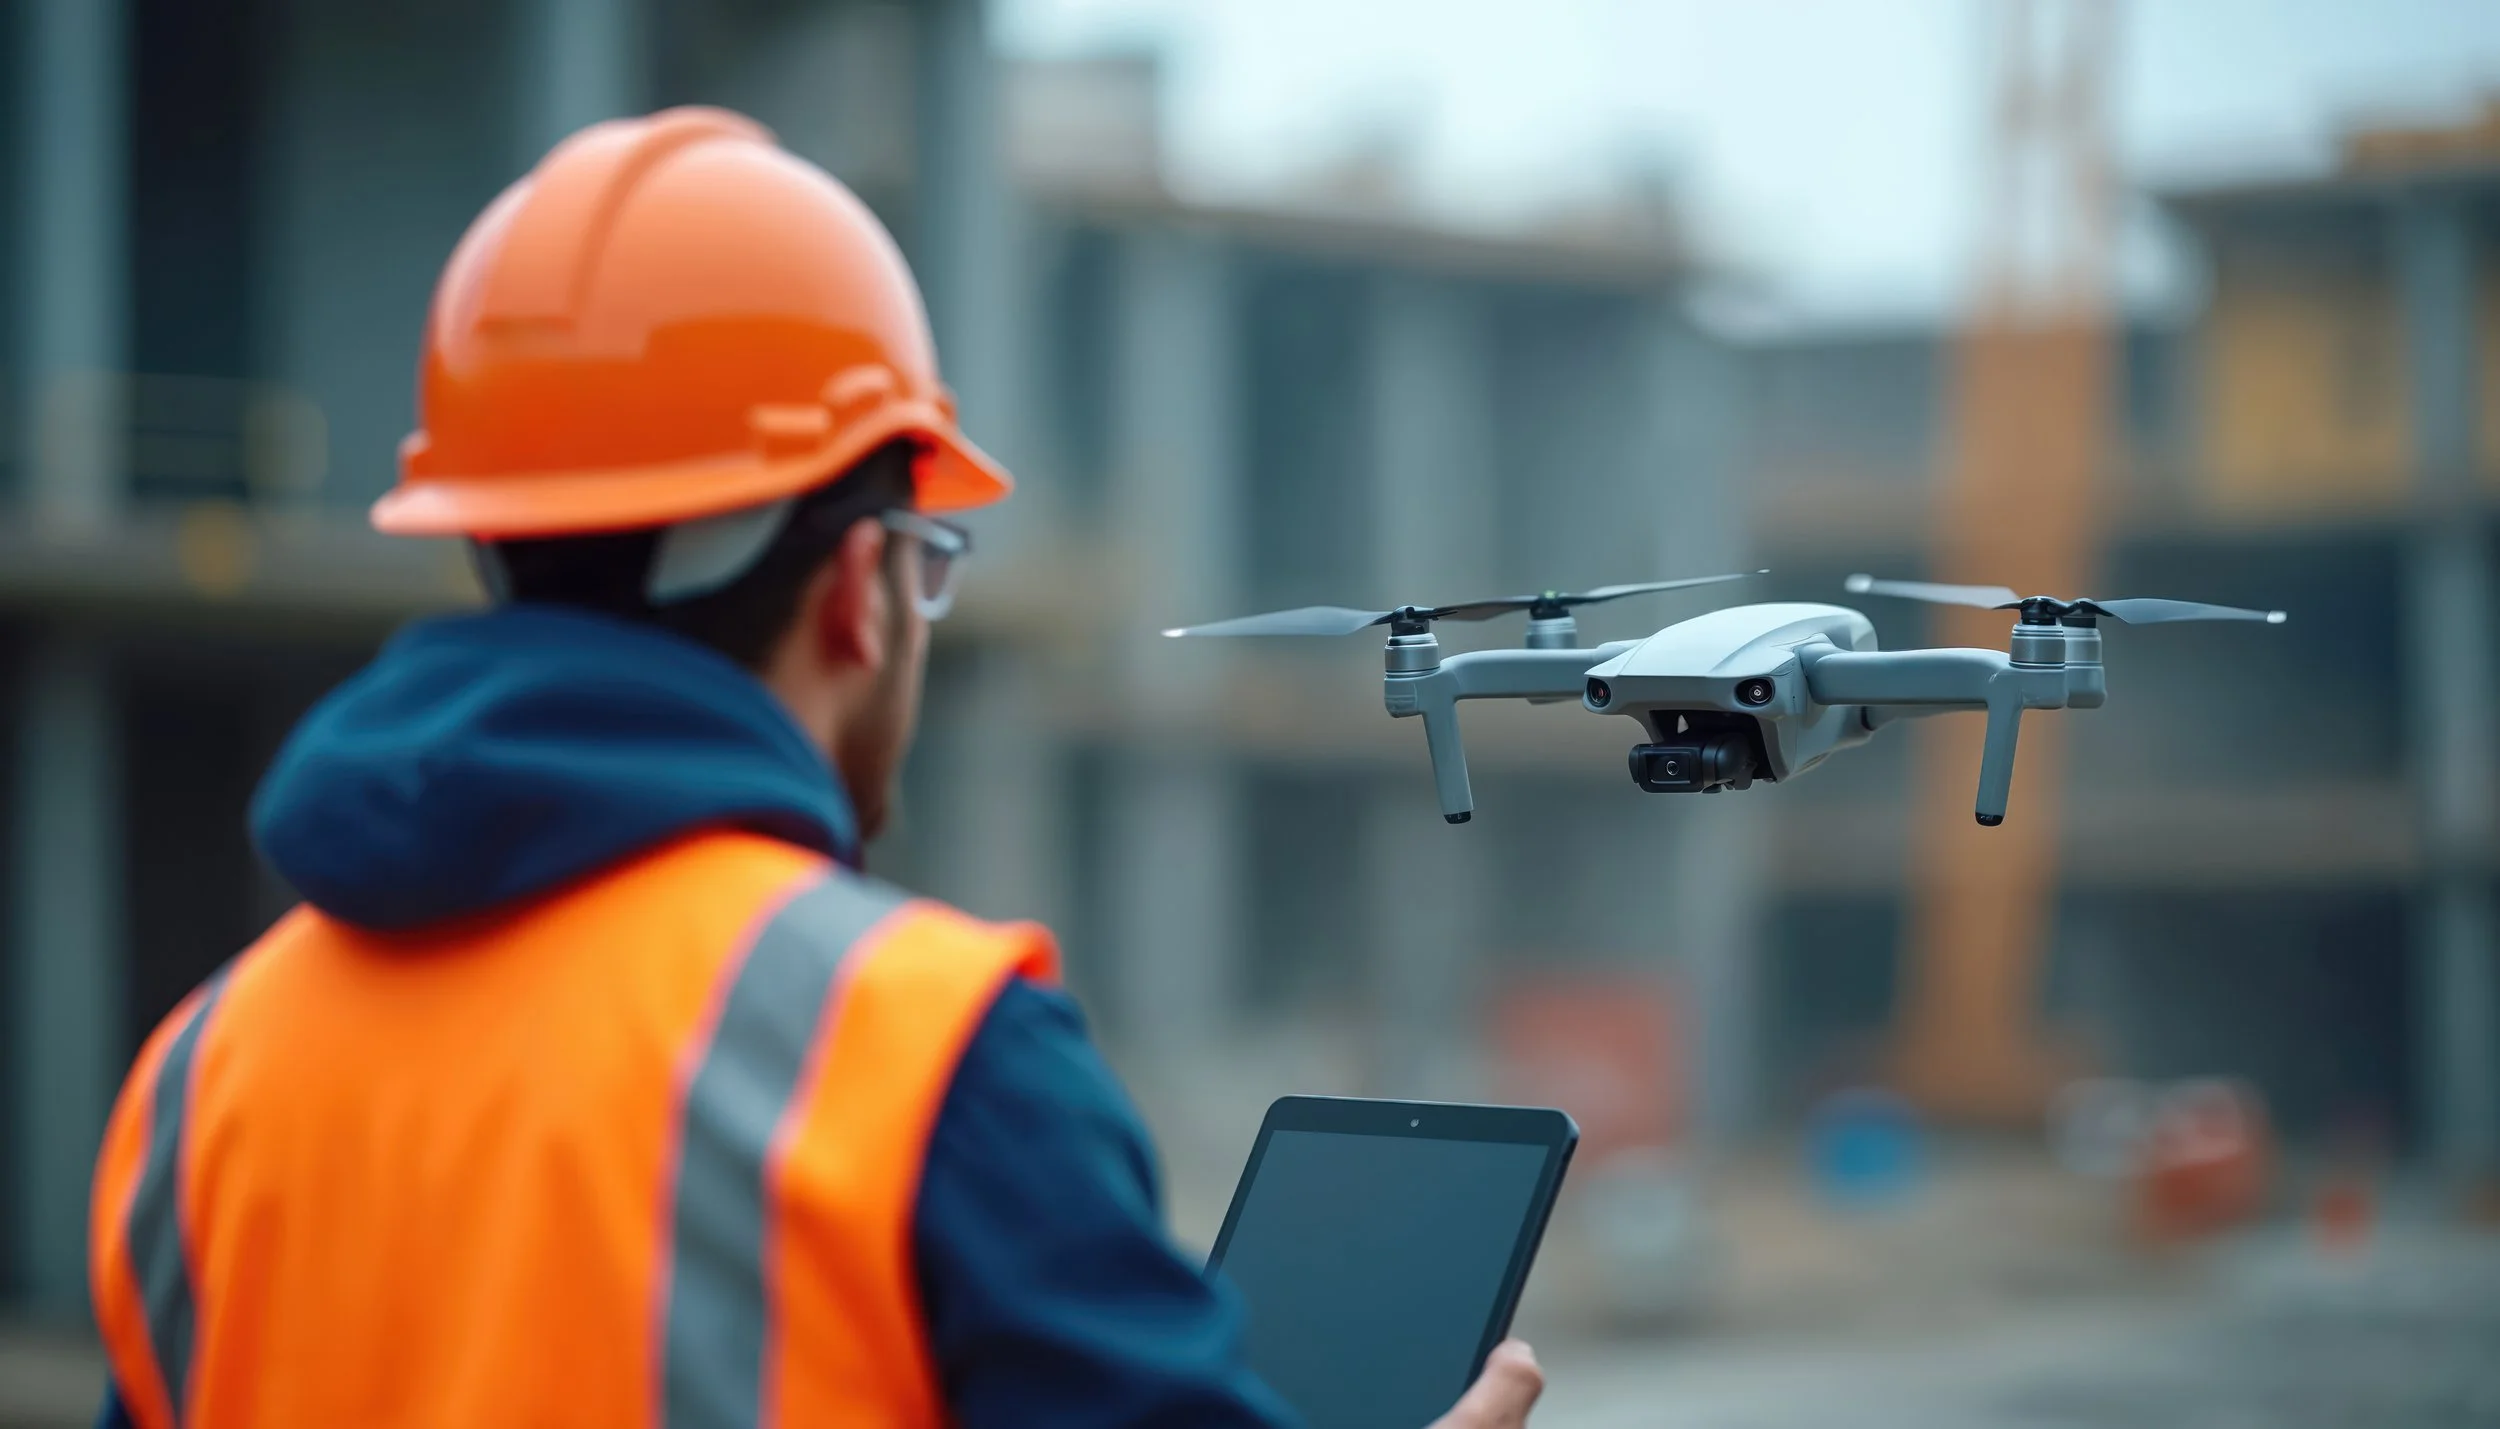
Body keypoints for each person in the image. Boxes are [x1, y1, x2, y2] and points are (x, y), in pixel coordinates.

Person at [86, 107, 1547, 1429]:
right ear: (861, 586)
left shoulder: (201, 1081)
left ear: (490, 536)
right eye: (929, 571)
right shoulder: (915, 1052)